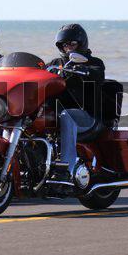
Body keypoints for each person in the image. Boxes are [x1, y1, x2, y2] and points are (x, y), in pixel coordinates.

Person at [47, 24, 105, 178]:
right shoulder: (54, 64)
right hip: (58, 113)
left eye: (72, 44)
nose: (68, 48)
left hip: (87, 117)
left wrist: (83, 70)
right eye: (64, 45)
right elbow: (38, 72)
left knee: (67, 116)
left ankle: (67, 169)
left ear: (81, 43)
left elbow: (96, 74)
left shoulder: (94, 63)